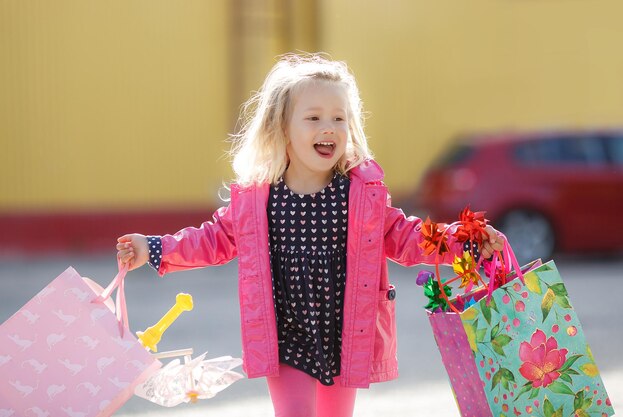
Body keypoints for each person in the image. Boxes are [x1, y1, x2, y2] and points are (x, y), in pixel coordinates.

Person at [116, 53, 504, 417]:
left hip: (344, 333)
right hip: (284, 337)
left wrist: (466, 240)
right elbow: (212, 238)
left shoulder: (360, 196)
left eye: (339, 118)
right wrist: (152, 248)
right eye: (314, 118)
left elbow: (408, 236)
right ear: (282, 127)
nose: (329, 128)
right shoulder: (257, 200)